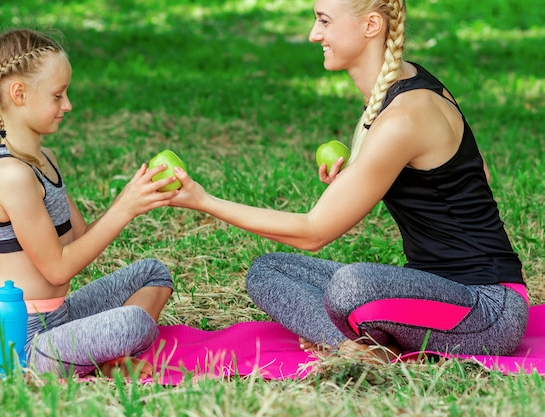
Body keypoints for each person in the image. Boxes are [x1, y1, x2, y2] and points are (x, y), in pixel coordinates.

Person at [169, 0, 528, 362]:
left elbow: (314, 233)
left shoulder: (403, 116)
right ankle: (359, 347)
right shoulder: (401, 86)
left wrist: (204, 200)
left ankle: (359, 339)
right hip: (430, 292)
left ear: (371, 25)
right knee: (269, 270)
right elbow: (475, 172)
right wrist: (358, 178)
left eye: (324, 21)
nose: (314, 35)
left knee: (350, 286)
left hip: (487, 310)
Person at [0, 28, 177, 377]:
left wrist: (131, 198)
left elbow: (79, 238)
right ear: (19, 93)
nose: (67, 105)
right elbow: (57, 268)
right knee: (131, 323)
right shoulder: (11, 175)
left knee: (154, 273)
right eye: (58, 95)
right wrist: (124, 208)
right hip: (28, 341)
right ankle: (109, 354)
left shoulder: (45, 159)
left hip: (62, 314)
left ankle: (104, 353)